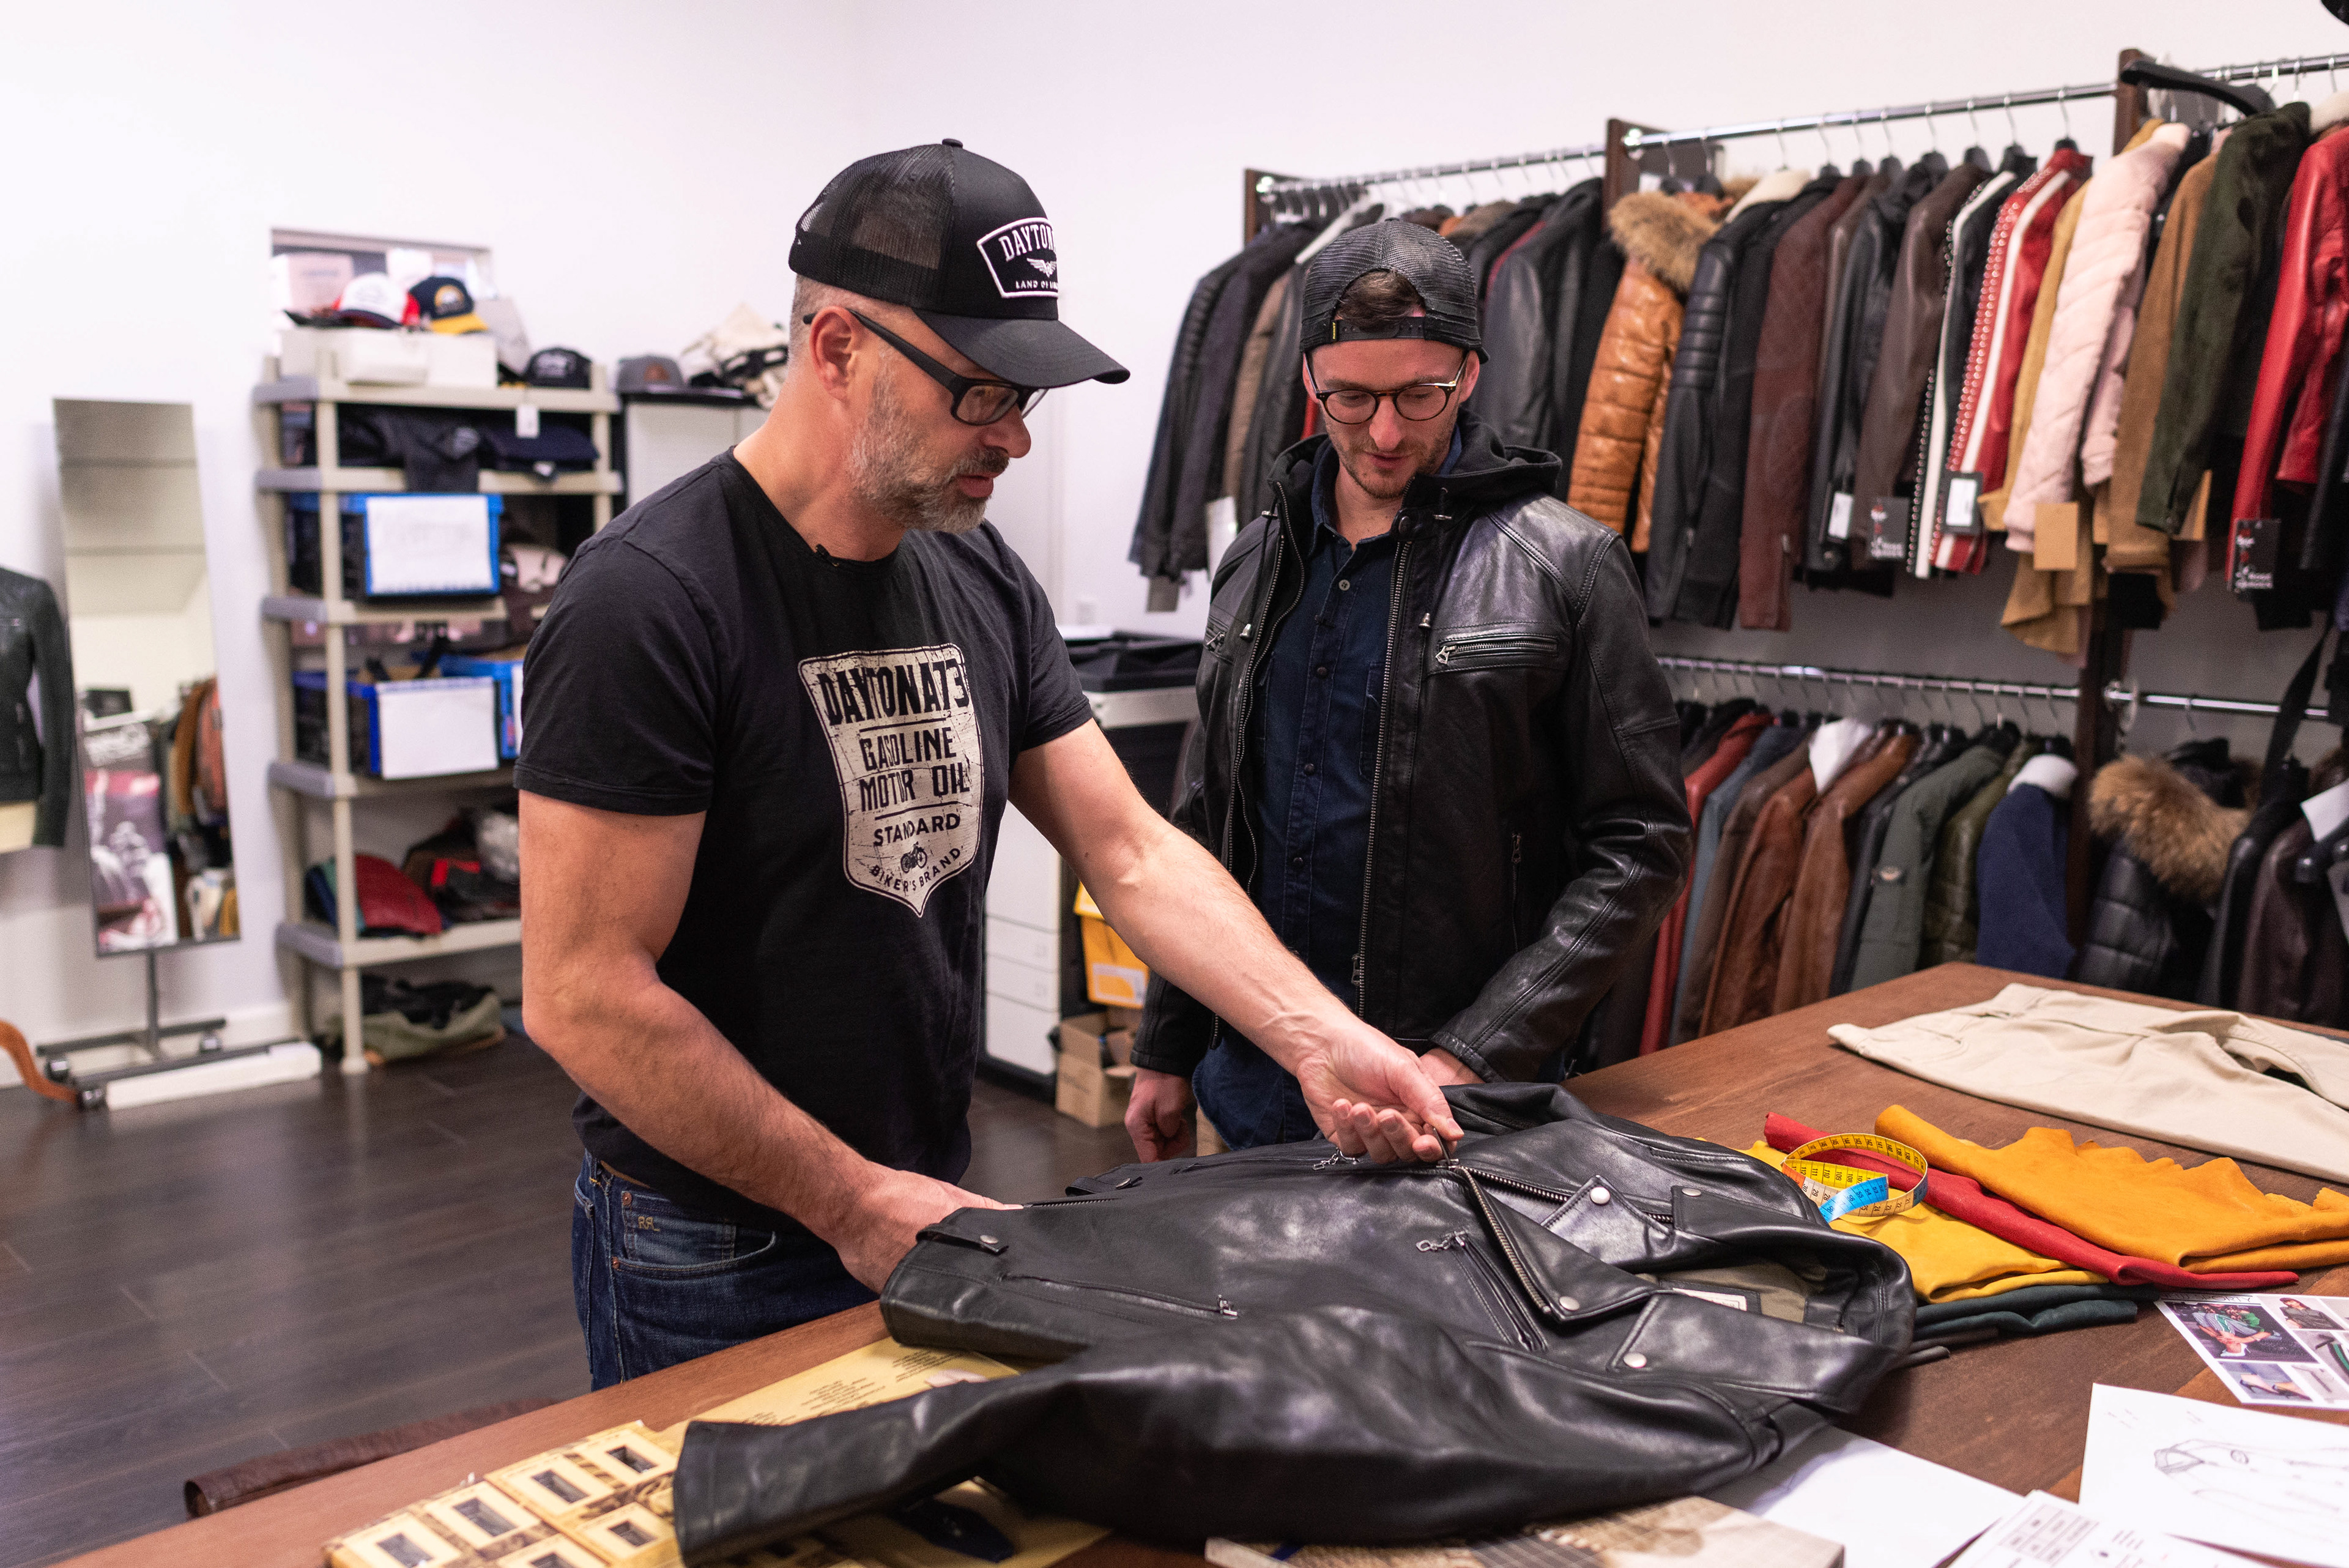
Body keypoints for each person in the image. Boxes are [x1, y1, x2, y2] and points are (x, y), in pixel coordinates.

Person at [517, 143, 1461, 1389]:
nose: (1012, 436)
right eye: (979, 391)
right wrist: (848, 1200)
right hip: (712, 1245)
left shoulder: (974, 572)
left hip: (914, 1197)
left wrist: (1316, 1035)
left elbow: (1125, 848)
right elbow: (582, 990)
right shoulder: (649, 601)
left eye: (1028, 395)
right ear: (838, 349)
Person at [1127, 219, 1688, 1157]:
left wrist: (1476, 1052)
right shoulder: (1258, 561)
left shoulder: (1565, 564)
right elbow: (1210, 822)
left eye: (1420, 396)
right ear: (1307, 377)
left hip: (1457, 1099)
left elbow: (1641, 842)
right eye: (1350, 398)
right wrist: (1168, 1042)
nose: (1384, 432)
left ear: (1469, 374)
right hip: (1259, 1083)